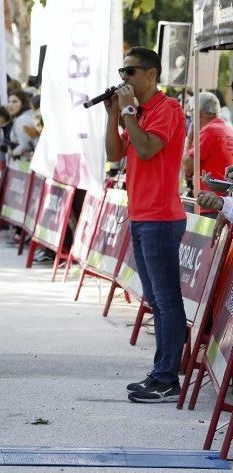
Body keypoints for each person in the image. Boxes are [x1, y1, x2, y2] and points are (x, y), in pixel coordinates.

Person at [105, 47, 187, 403]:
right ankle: (160, 372)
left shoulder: (167, 109)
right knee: (155, 299)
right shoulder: (136, 112)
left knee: (167, 301)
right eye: (123, 71)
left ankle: (168, 378)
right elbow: (114, 154)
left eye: (131, 71)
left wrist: (127, 114)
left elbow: (147, 148)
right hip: (140, 216)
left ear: (151, 73)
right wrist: (113, 116)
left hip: (161, 218)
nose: (125, 78)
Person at [182, 92, 233, 217]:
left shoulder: (209, 130)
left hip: (210, 205)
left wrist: (189, 138)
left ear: (201, 112)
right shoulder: (227, 129)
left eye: (192, 111)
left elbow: (186, 165)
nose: (191, 116)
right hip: (224, 203)